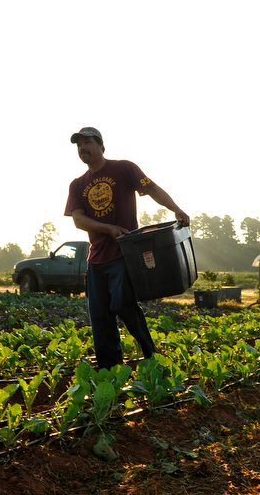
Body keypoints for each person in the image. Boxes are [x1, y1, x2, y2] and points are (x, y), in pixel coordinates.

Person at [64, 127, 190, 370]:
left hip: (125, 254)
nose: (82, 148)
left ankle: (151, 355)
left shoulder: (123, 168)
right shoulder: (77, 185)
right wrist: (109, 228)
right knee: (99, 315)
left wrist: (176, 209)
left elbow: (151, 188)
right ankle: (108, 368)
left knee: (124, 305)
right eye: (79, 145)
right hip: (96, 260)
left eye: (87, 142)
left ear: (101, 146)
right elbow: (79, 220)